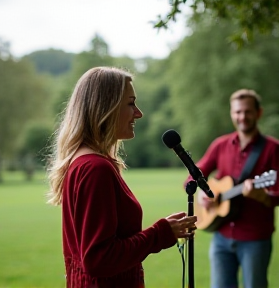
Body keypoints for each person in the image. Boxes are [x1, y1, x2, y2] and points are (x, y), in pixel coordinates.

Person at [47, 66, 197, 288]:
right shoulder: (95, 168)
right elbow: (98, 259)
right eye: (130, 103)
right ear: (106, 107)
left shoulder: (84, 162)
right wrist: (160, 233)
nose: (138, 113)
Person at [185, 89, 279, 288]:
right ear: (231, 113)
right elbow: (192, 176)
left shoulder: (272, 149)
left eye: (247, 112)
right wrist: (203, 192)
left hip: (255, 237)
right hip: (222, 236)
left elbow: (277, 195)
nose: (242, 116)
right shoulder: (221, 145)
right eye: (238, 112)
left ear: (258, 113)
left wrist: (260, 196)